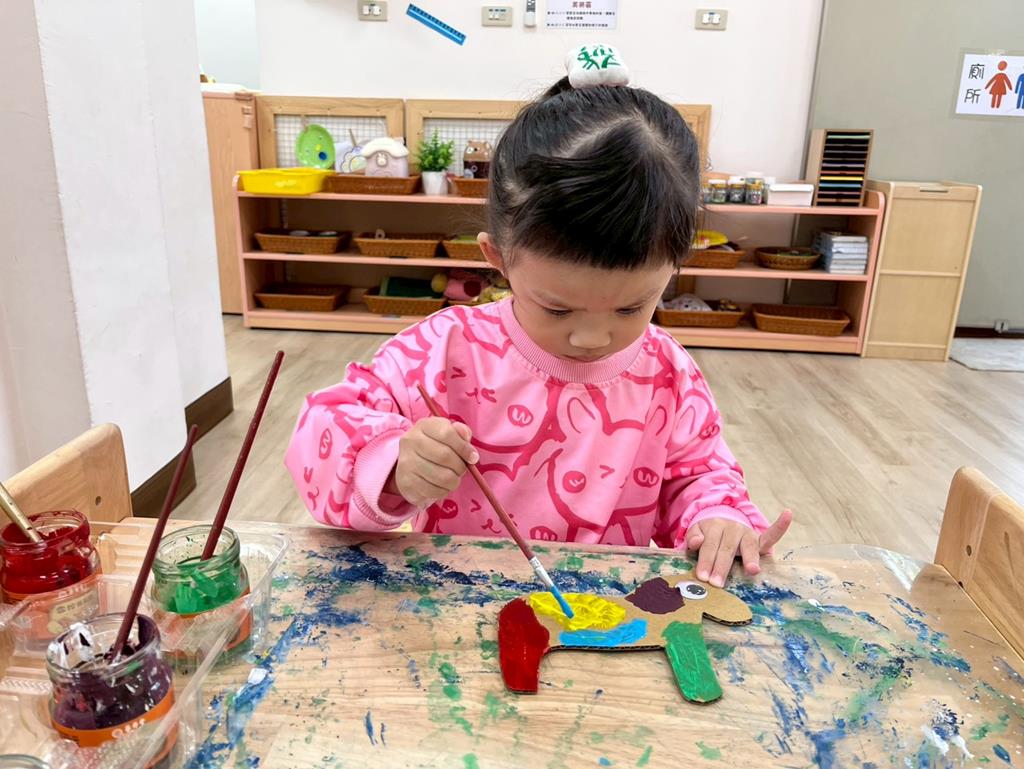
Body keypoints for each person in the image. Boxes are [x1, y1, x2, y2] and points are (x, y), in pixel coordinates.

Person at [285, 45, 791, 587]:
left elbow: (699, 474)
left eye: (631, 307)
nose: (592, 337)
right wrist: (392, 465)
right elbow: (323, 433)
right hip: (458, 597)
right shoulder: (441, 351)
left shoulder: (667, 372)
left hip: (604, 605)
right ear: (498, 257)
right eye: (557, 307)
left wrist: (717, 518)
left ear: (675, 266)